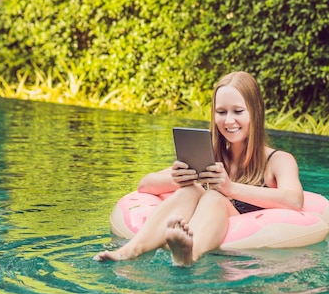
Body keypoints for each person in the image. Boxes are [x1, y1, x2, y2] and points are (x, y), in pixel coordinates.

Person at [94, 71, 304, 265]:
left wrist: (231, 189)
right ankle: (130, 250)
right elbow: (144, 185)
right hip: (208, 220)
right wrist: (175, 179)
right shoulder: (209, 155)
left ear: (255, 112)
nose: (229, 120)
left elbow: (294, 201)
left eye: (238, 111)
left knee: (213, 196)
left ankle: (189, 254)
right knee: (191, 189)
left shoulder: (278, 161)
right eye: (221, 112)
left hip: (241, 233)